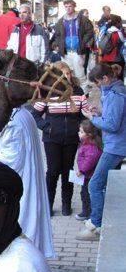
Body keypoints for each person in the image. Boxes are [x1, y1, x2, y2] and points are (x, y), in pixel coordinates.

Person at [0, 106, 55, 257]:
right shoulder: (21, 114)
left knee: (22, 222)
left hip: (20, 183)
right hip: (24, 178)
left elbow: (12, 159)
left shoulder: (14, 121)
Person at [30, 61, 88, 216]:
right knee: (53, 171)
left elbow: (84, 115)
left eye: (68, 73)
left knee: (67, 171)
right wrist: (46, 127)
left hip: (71, 138)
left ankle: (66, 204)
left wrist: (83, 130)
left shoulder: (78, 91)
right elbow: (34, 114)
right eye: (61, 75)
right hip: (52, 138)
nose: (65, 77)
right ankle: (48, 204)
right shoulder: (48, 93)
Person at [76, 63, 126, 241]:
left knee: (95, 184)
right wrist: (100, 115)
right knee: (100, 184)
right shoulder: (115, 91)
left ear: (106, 79)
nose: (97, 87)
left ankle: (97, 225)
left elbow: (112, 125)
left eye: (98, 83)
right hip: (116, 144)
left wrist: (94, 118)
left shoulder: (115, 95)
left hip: (116, 145)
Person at [50, 0, 95, 86]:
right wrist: (58, 45)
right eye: (66, 6)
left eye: (70, 6)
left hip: (77, 51)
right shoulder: (61, 20)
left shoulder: (82, 19)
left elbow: (90, 31)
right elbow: (57, 34)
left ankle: (83, 95)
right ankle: (72, 94)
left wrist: (82, 42)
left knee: (79, 75)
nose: (68, 8)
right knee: (67, 74)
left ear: (74, 6)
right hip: (65, 52)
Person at [74, 119, 103, 221]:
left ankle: (90, 214)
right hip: (86, 175)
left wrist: (81, 170)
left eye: (81, 132)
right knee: (84, 193)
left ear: (89, 134)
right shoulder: (85, 143)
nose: (79, 133)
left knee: (88, 195)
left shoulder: (91, 147)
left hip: (89, 175)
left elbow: (89, 161)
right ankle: (85, 212)